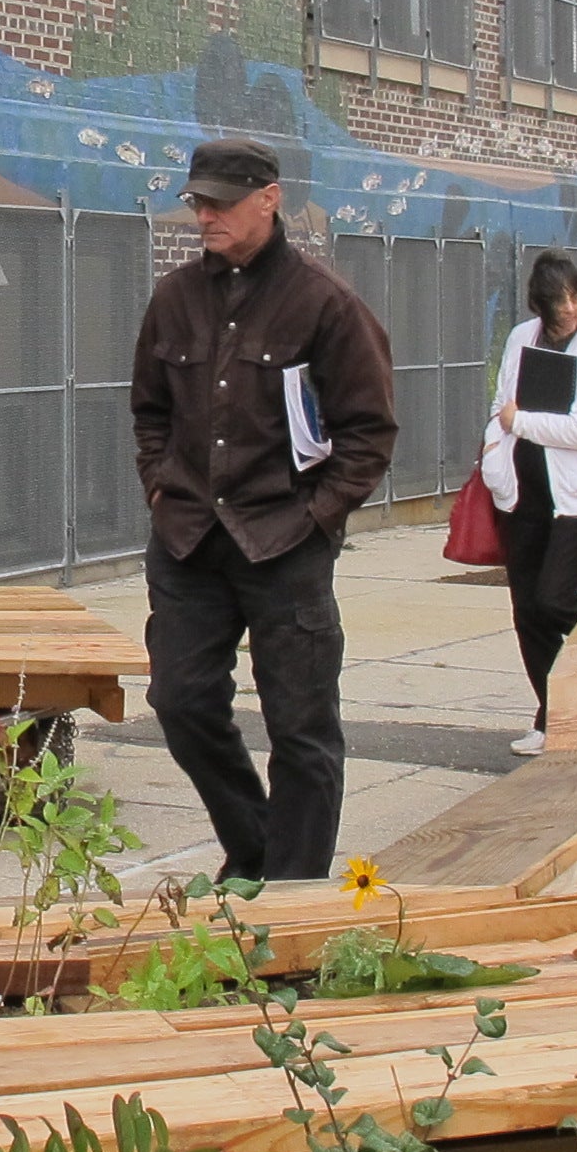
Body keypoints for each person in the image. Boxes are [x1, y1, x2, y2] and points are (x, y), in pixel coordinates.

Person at [129, 138, 397, 886]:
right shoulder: (175, 299)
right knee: (179, 701)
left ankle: (292, 895)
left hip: (284, 542)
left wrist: (317, 518)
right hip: (188, 541)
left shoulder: (325, 304)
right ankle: (255, 850)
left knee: (303, 731)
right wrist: (159, 484)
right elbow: (148, 410)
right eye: (197, 202)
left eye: (219, 202)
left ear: (269, 199)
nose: (204, 215)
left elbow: (369, 434)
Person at [482, 250, 577, 759]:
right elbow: (500, 406)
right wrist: (498, 450)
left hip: (576, 495)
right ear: (541, 305)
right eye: (561, 303)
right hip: (522, 492)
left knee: (555, 601)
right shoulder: (523, 338)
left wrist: (521, 422)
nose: (571, 310)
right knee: (527, 612)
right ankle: (552, 716)